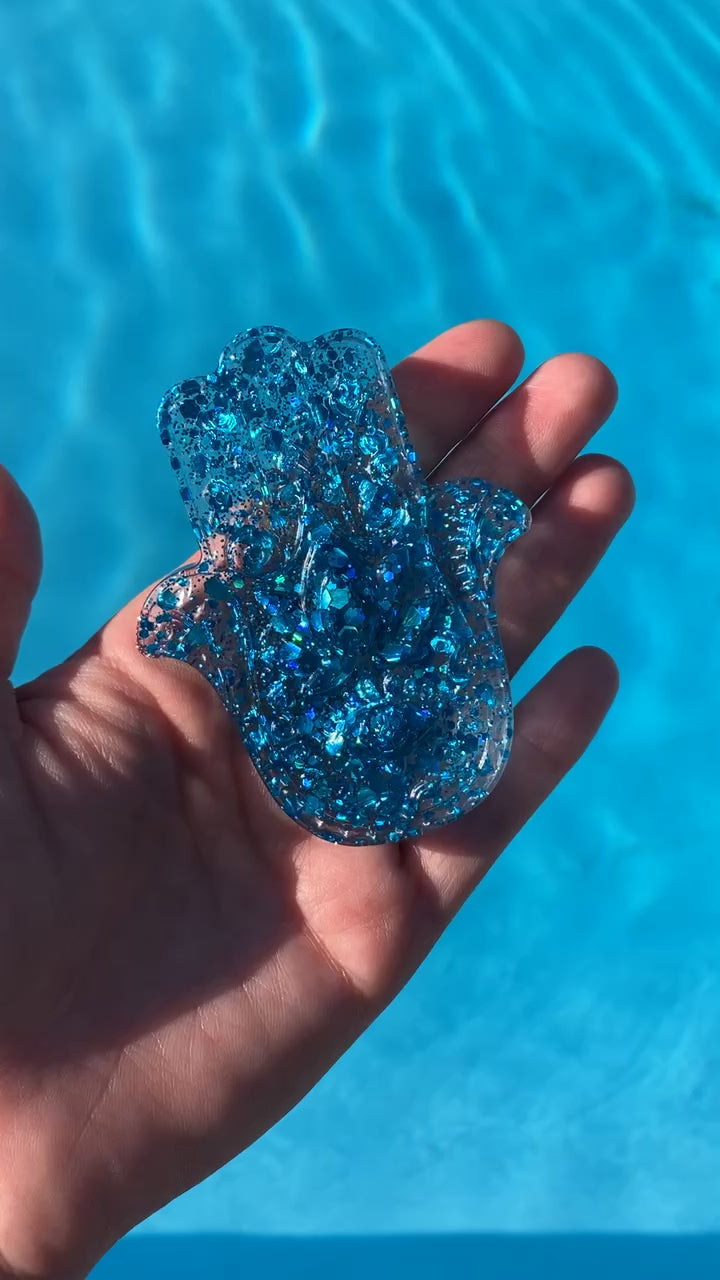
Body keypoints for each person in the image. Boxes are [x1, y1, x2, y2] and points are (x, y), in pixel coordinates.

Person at [0, 320, 633, 1278]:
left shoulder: (364, 554)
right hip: (363, 735)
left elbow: (458, 536)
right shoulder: (283, 556)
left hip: (407, 733)